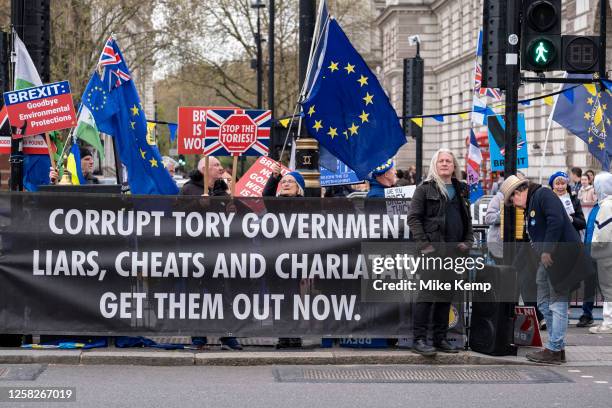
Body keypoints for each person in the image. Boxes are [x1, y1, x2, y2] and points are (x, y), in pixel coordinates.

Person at [500, 175, 593, 364]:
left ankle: (554, 349)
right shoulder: (531, 204)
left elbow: (556, 221)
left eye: (513, 199)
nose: (514, 204)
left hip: (562, 256)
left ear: (519, 192)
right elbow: (529, 241)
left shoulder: (543, 195)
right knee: (543, 303)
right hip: (549, 260)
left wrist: (547, 250)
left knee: (557, 303)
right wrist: (513, 268)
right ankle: (556, 347)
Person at [407, 148, 473, 356]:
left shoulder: (462, 189)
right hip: (432, 252)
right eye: (441, 161)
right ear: (435, 165)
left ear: (454, 166)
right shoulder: (424, 189)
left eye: (449, 161)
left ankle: (440, 338)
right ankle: (419, 340)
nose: (445, 164)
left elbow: (467, 220)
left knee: (446, 296)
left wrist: (468, 242)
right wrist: (425, 246)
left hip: (455, 252)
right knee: (427, 295)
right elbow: (414, 219)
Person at [263, 163, 305, 348]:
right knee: (277, 297)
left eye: (291, 182)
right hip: (275, 259)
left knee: (292, 297)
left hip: (294, 260)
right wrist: (274, 178)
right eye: (284, 181)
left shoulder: (305, 205)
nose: (286, 184)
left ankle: (294, 334)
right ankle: (282, 334)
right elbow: (266, 195)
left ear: (299, 188)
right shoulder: (275, 203)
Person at [590, 172, 612, 334]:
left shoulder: (606, 206)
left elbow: (603, 233)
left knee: (608, 288)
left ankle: (608, 322)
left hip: (606, 254)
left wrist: (595, 246)